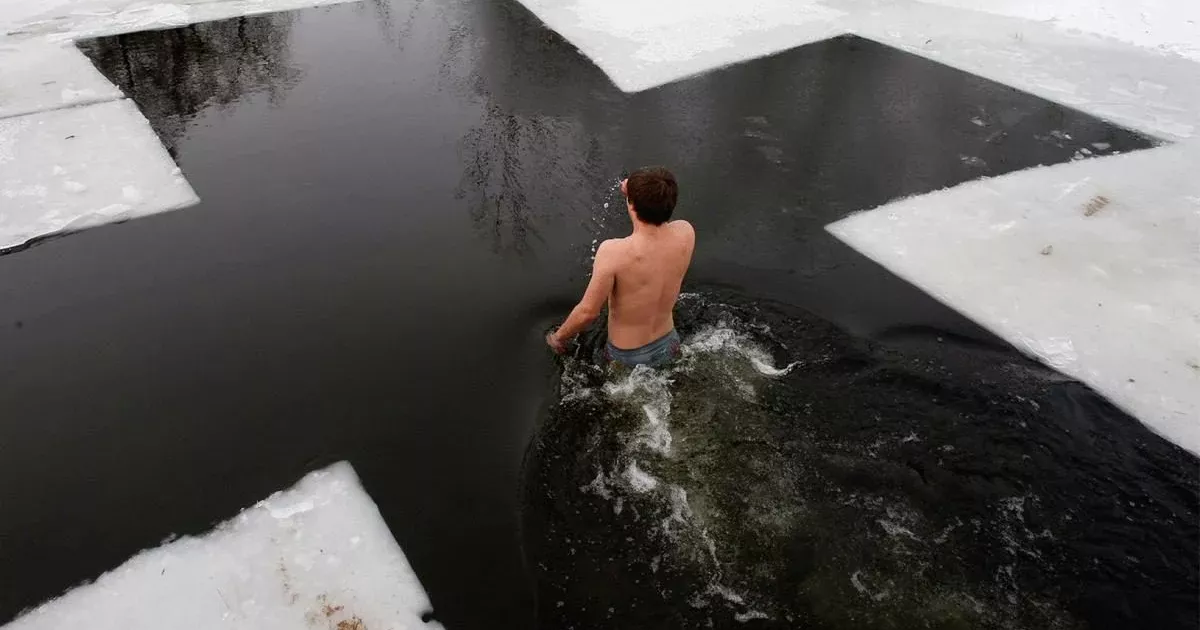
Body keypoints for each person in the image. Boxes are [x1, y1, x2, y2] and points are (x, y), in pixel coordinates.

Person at [546, 166, 695, 368]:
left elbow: (588, 313)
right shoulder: (685, 233)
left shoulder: (613, 252)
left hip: (627, 357)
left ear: (631, 205)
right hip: (669, 342)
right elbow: (658, 202)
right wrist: (638, 193)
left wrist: (558, 337)